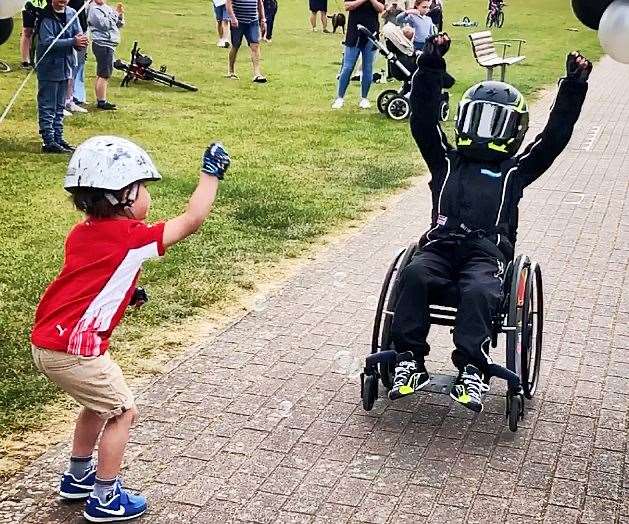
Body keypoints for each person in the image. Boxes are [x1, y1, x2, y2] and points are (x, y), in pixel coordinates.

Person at [30, 136, 231, 523]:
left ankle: (77, 478)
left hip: (50, 343)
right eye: (142, 189)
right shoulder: (133, 238)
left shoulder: (82, 233)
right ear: (120, 195)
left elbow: (89, 278)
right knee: (123, 411)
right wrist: (211, 175)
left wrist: (125, 291)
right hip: (76, 351)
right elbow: (192, 220)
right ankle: (105, 497)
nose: (147, 198)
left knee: (97, 404)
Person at [388, 33, 592, 413]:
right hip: (441, 247)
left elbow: (553, 139)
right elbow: (423, 119)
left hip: (486, 254)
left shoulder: (516, 171)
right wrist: (430, 66)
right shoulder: (445, 161)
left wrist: (573, 87)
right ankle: (409, 360)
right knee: (414, 275)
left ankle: (472, 369)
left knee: (480, 292)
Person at [35, 0, 87, 153]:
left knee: (59, 106)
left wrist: (80, 43)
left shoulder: (72, 13)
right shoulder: (46, 17)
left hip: (66, 66)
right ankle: (48, 141)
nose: (63, 0)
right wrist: (73, 41)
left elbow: (78, 35)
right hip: (49, 67)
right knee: (47, 105)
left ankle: (58, 138)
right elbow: (47, 42)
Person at [332, 0, 385, 110]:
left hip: (371, 31)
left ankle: (364, 98)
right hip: (354, 32)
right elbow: (348, 6)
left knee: (368, 67)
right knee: (347, 67)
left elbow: (381, 8)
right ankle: (340, 98)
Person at [87, 0, 125, 110]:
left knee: (103, 73)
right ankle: (101, 102)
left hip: (109, 44)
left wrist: (120, 15)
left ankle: (101, 99)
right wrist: (115, 14)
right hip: (102, 44)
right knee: (104, 74)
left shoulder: (107, 8)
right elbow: (104, 25)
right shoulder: (94, 9)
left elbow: (117, 24)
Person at [226, 0, 267, 82]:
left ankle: (257, 74)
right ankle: (231, 71)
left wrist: (262, 19)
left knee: (255, 45)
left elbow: (260, 3)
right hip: (238, 22)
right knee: (236, 45)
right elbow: (228, 3)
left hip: (252, 21)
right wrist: (232, 18)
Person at [66, 0, 89, 113]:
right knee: (69, 68)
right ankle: (64, 101)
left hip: (81, 28)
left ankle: (74, 98)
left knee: (77, 66)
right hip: (69, 32)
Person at [19, 0, 47, 69]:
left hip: (45, 4)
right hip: (30, 3)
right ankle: (25, 60)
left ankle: (40, 59)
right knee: (27, 30)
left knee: (44, 29)